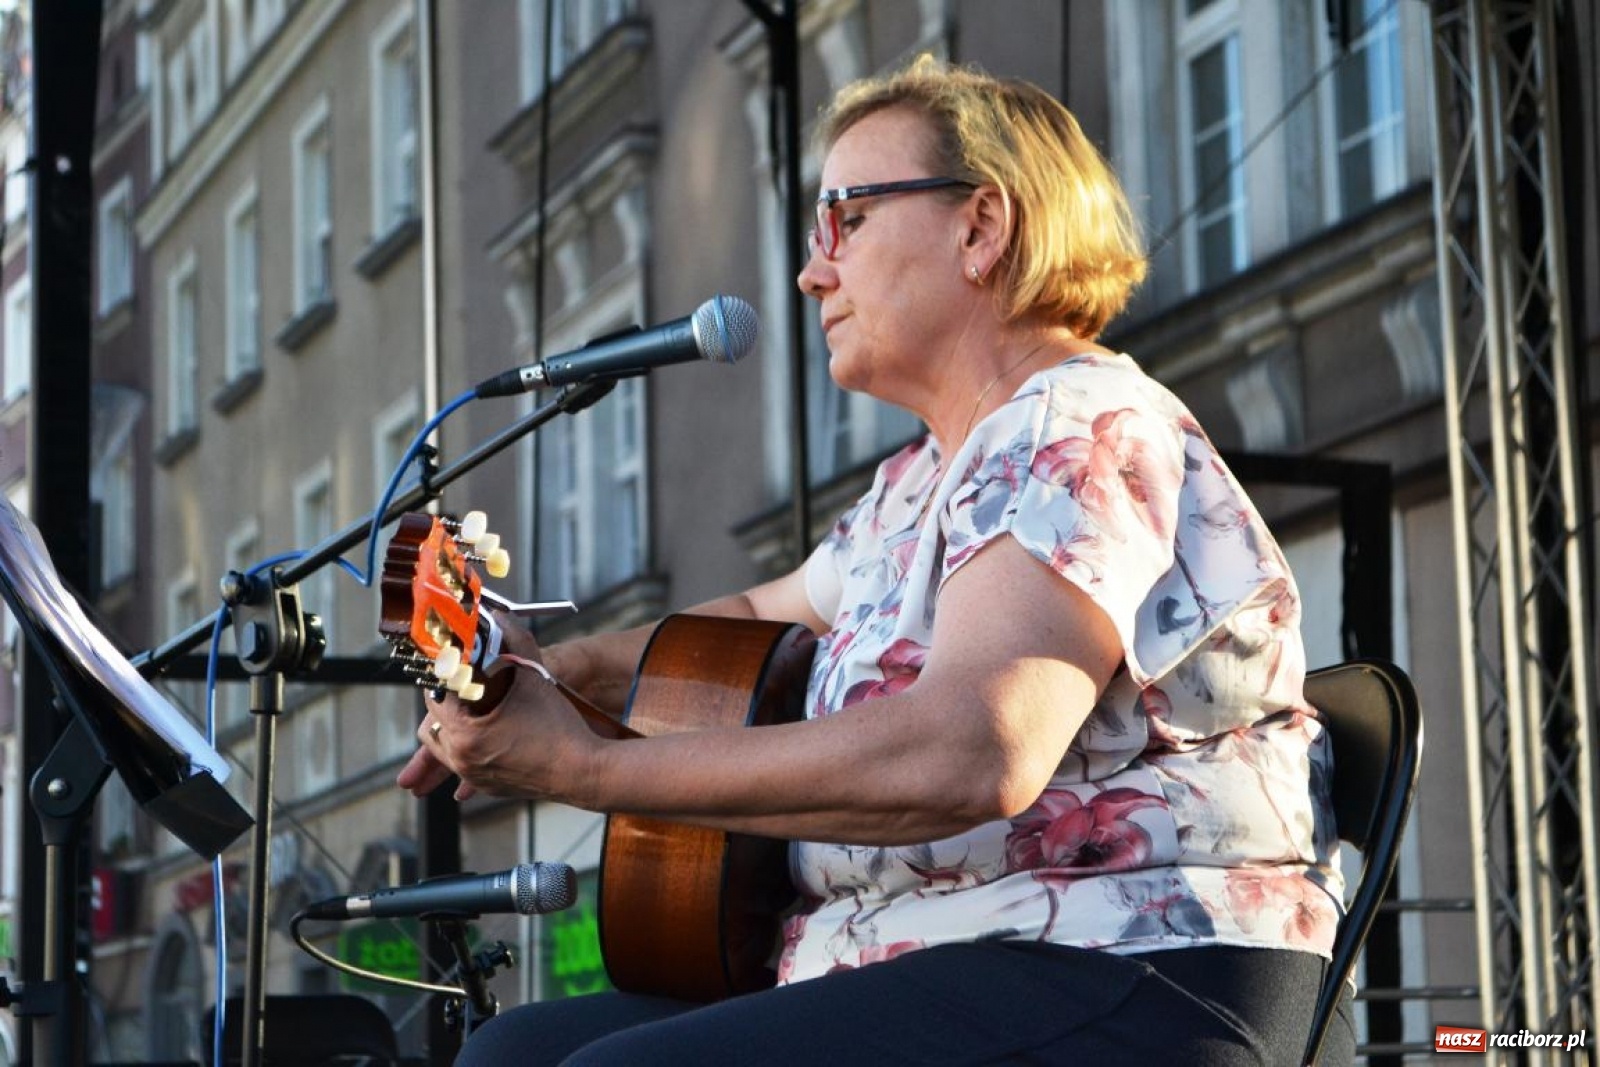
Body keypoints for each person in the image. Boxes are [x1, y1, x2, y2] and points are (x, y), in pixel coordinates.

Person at [398, 54, 1352, 1066]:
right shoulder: (918, 480)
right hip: (930, 957)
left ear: (979, 228)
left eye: (845, 220)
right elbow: (752, 622)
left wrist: (585, 767)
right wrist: (549, 667)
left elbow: (975, 747)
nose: (813, 271)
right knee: (512, 1051)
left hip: (1136, 964)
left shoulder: (1075, 424)